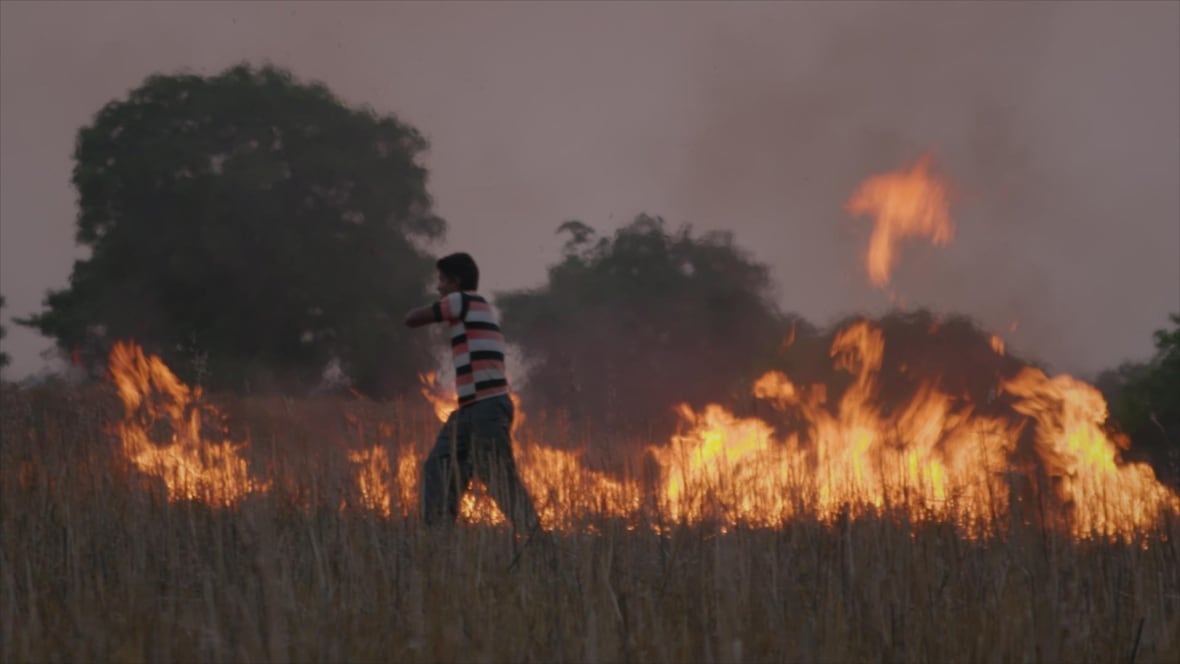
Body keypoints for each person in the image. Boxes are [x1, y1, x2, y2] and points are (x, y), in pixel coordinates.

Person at [404, 252, 542, 537]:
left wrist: (417, 308)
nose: (439, 287)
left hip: (486, 407)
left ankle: (537, 542)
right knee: (440, 464)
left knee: (497, 476)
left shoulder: (461, 300)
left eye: (442, 280)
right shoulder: (480, 307)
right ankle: (436, 536)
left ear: (456, 282)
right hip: (470, 408)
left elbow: (412, 319)